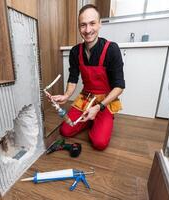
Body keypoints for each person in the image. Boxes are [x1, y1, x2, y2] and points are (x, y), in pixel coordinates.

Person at [52, 4, 125, 150]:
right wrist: (66, 96)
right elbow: (73, 78)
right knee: (65, 131)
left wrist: (99, 107)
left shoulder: (111, 49)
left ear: (100, 24)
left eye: (92, 23)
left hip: (104, 103)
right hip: (86, 98)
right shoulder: (75, 51)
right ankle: (90, 118)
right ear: (79, 27)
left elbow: (119, 86)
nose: (88, 30)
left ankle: (99, 119)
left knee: (99, 143)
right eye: (83, 25)